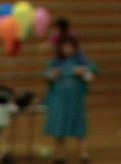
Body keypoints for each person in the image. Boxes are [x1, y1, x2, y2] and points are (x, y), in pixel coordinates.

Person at [44, 35, 98, 164]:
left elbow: (94, 70)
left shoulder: (81, 60)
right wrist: (53, 74)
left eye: (70, 47)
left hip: (75, 99)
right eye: (65, 47)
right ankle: (60, 153)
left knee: (78, 124)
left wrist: (84, 70)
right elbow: (46, 74)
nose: (67, 49)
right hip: (59, 98)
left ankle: (83, 152)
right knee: (59, 124)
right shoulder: (56, 61)